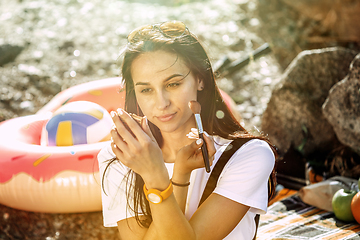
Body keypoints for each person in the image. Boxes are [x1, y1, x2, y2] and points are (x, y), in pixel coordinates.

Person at [98, 20, 276, 240]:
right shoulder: (119, 158)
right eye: (146, 90)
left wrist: (156, 176)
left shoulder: (249, 155)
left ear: (199, 80)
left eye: (173, 84)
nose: (161, 103)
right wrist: (178, 175)